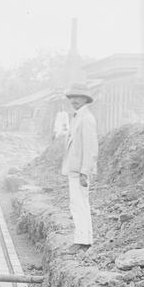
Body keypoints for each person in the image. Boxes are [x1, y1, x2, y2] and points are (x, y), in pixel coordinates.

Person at [60, 84, 98, 251]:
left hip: (80, 171)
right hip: (74, 169)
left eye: (77, 97)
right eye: (71, 97)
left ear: (85, 99)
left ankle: (83, 241)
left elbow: (91, 149)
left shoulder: (86, 119)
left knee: (80, 204)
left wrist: (85, 172)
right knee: (77, 204)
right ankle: (83, 239)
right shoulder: (77, 117)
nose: (73, 100)